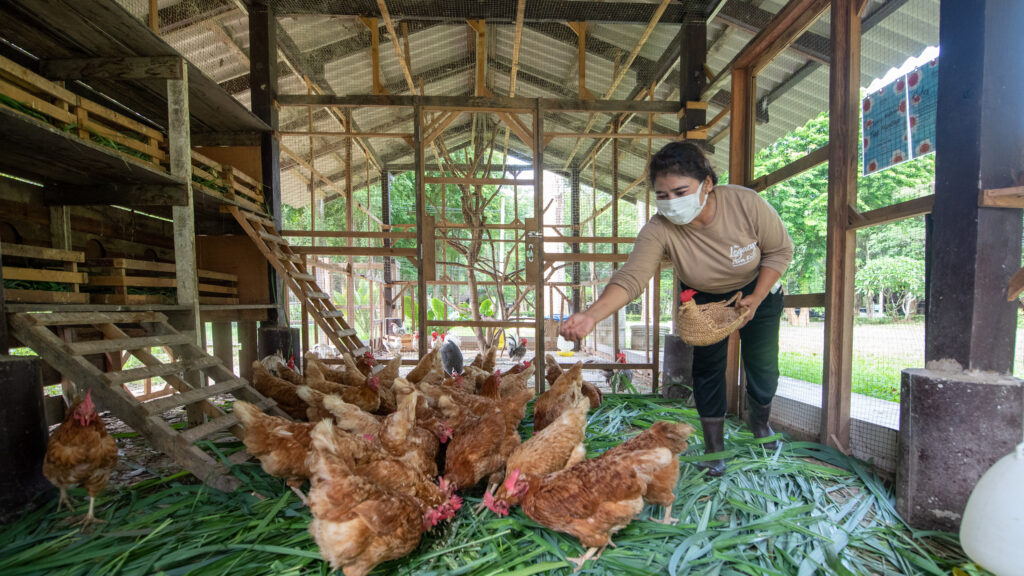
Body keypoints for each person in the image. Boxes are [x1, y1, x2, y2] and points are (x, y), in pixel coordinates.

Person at [559, 141, 793, 477]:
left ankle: (761, 424)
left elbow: (779, 251)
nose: (672, 202)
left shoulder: (745, 203)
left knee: (763, 364)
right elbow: (631, 278)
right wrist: (591, 315)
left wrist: (756, 296)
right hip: (705, 297)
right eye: (662, 195)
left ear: (707, 184)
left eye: (681, 191)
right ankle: (715, 449)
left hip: (759, 288)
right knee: (708, 369)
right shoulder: (659, 229)